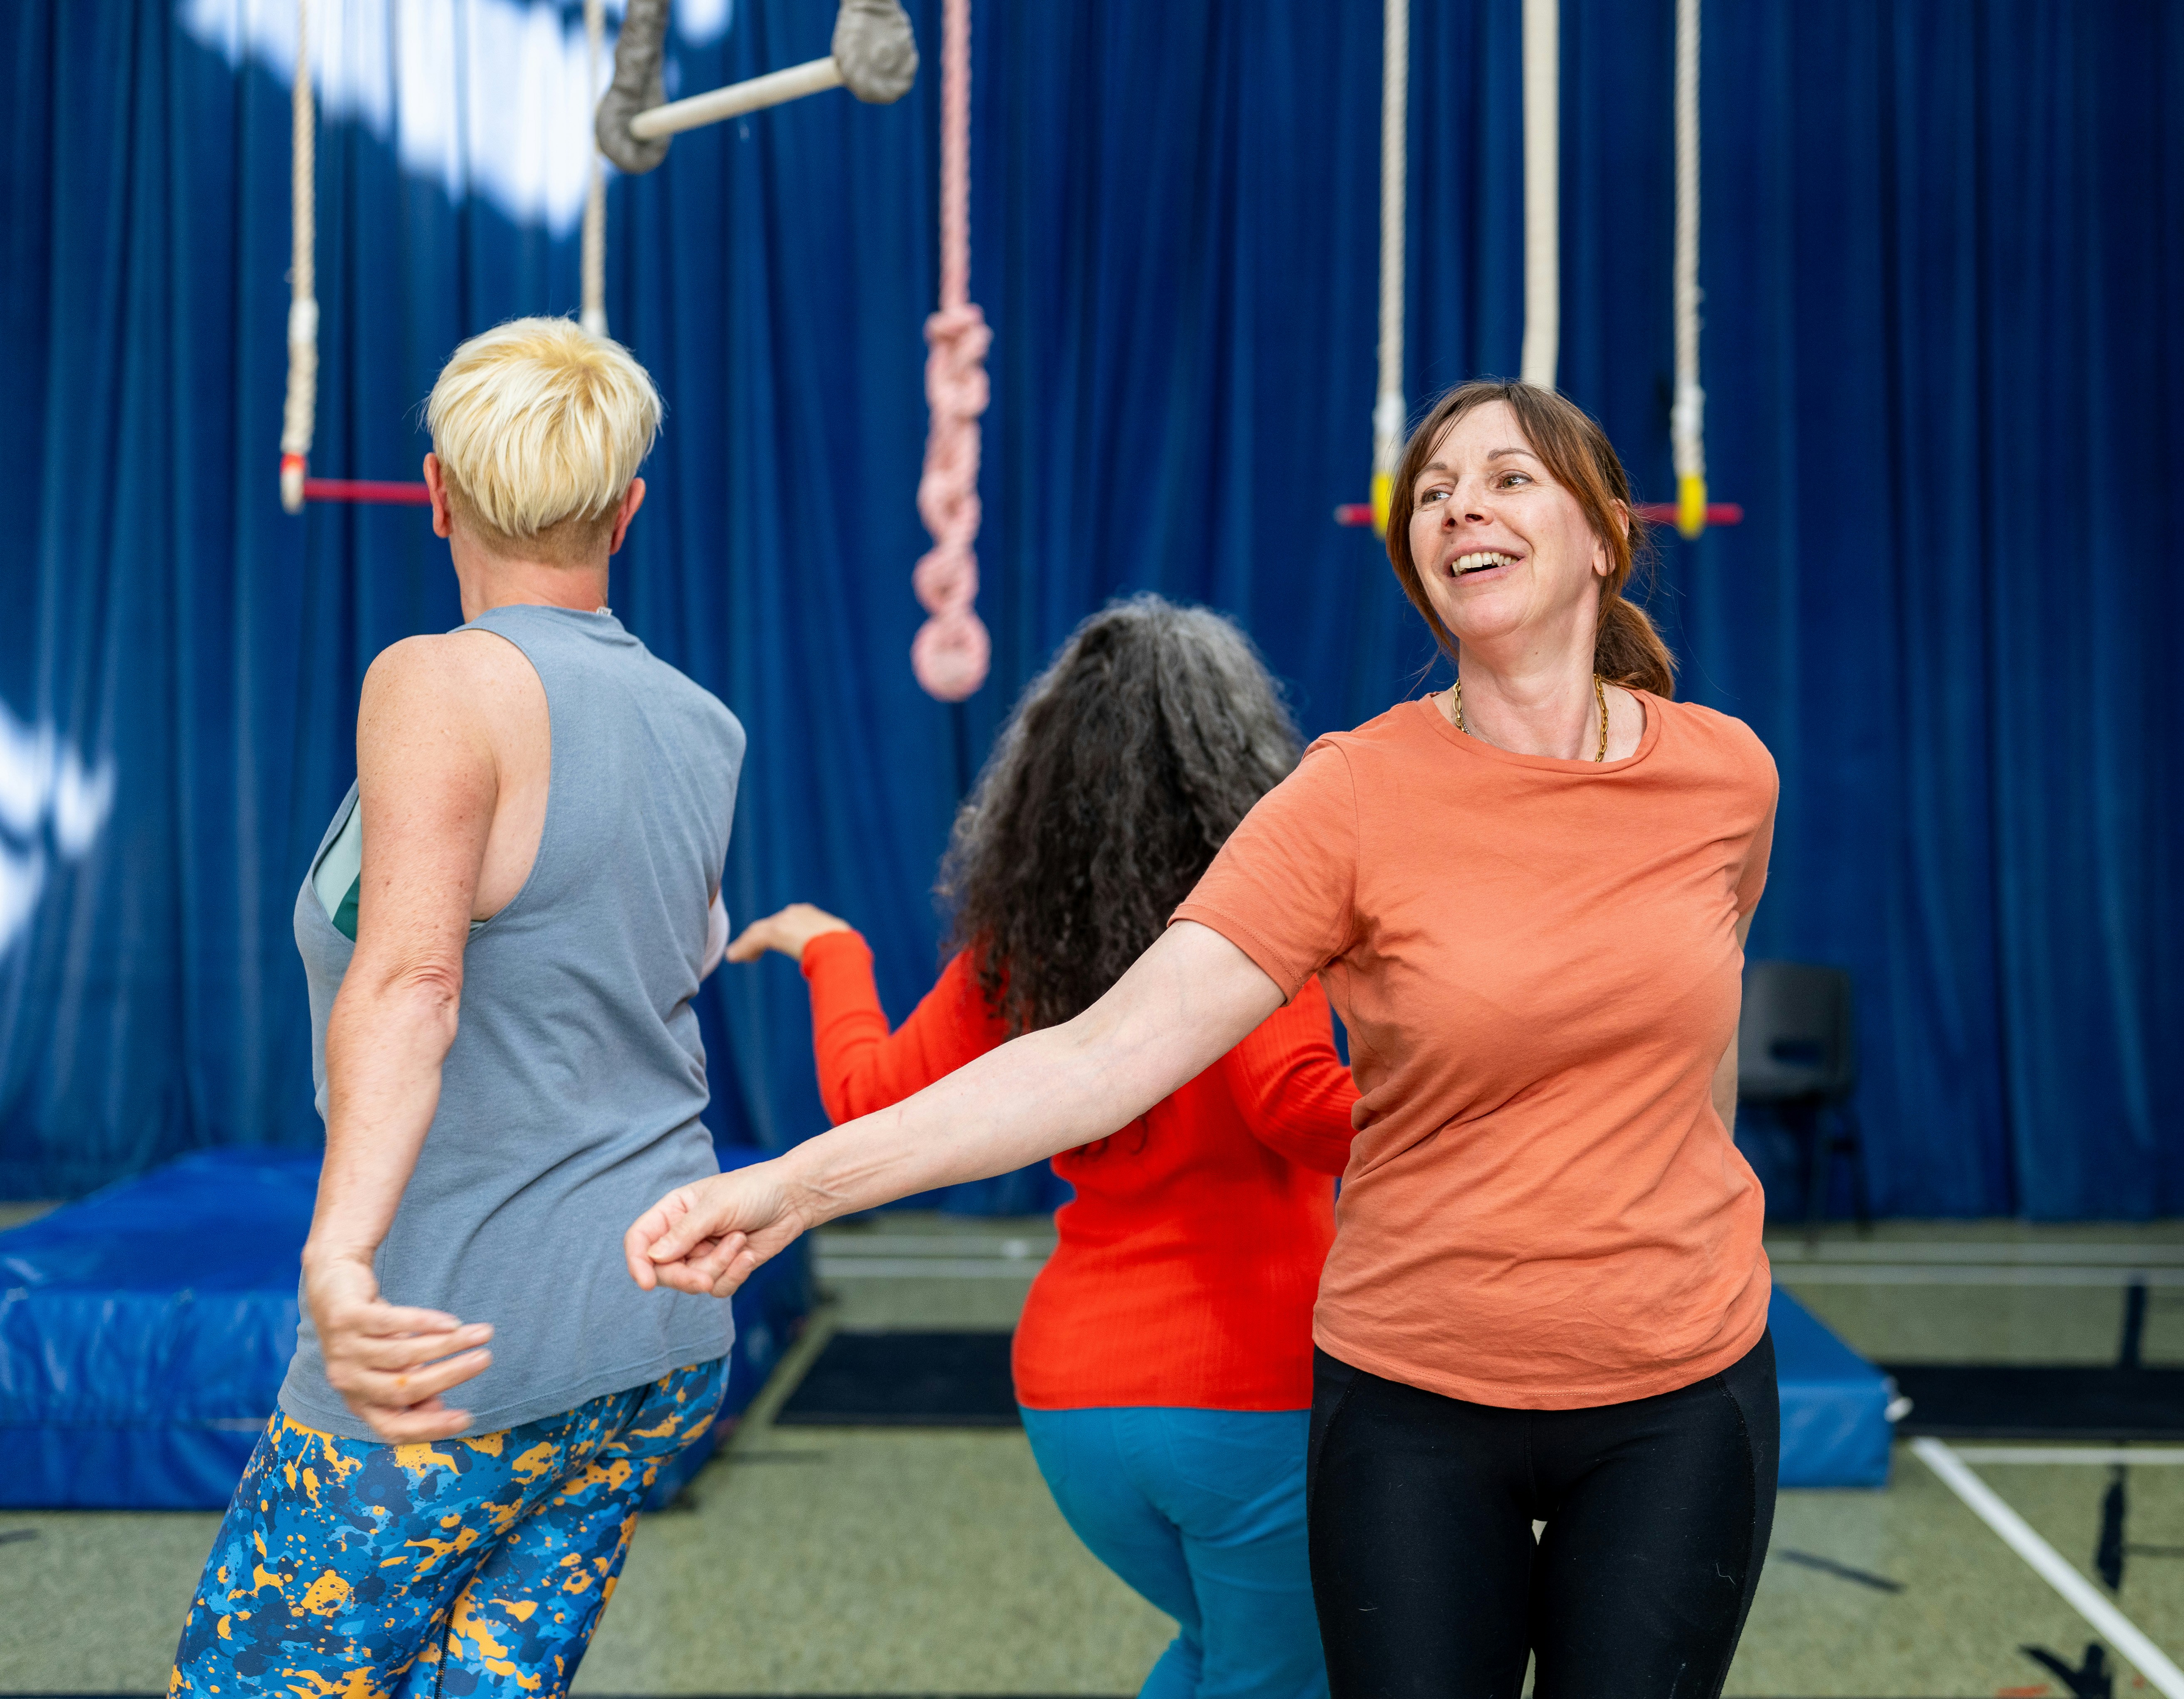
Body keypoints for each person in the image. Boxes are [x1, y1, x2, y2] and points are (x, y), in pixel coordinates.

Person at [629, 382, 1779, 1698]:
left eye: (1509, 477)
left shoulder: (1724, 776)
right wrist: (789, 1188)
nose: (1462, 502)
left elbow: (1701, 1041)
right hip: (1415, 1393)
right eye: (1437, 488)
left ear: (1606, 535)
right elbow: (1098, 1054)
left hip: (1676, 1389)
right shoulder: (1347, 796)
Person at [171, 318, 744, 1698]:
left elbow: (417, 976)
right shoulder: (699, 720)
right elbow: (662, 952)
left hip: (457, 1330)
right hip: (647, 1329)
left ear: (434, 493)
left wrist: (338, 1258)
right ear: (628, 508)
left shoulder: (436, 679)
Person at [728, 597, 1353, 1699]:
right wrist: (1487, 1068)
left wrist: (830, 947)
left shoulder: (1020, 950)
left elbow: (865, 1095)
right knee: (1279, 1672)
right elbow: (1302, 1108)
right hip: (1246, 1397)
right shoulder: (1257, 922)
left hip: (1076, 1405)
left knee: (1222, 1655)